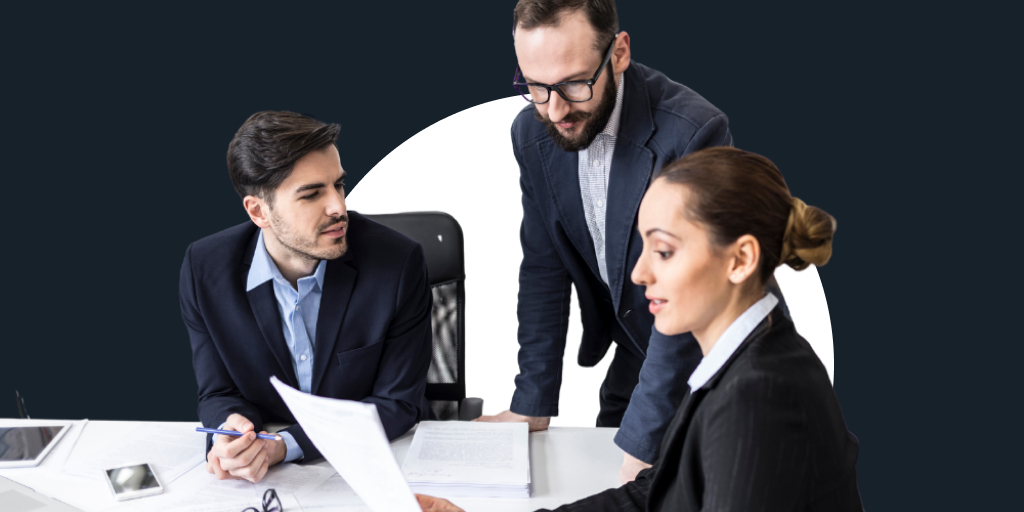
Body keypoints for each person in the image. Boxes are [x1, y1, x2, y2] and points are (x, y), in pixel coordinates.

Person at [418, 147, 862, 511]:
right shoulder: (742, 360)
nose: (638, 274)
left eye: (663, 251)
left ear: (740, 260)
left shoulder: (757, 394)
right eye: (642, 247)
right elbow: (656, 493)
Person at [476, 0, 734, 481]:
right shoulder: (530, 134)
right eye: (535, 87)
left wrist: (643, 442)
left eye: (574, 84)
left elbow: (689, 293)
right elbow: (544, 267)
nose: (554, 110)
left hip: (711, 359)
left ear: (618, 54)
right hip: (635, 349)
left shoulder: (692, 134)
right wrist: (532, 403)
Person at [179, 111, 433, 483]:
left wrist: (284, 446)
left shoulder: (397, 263)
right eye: (312, 194)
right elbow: (218, 391)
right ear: (258, 211)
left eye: (338, 185)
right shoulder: (205, 269)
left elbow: (398, 403)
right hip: (270, 482)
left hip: (375, 463)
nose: (338, 207)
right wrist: (231, 431)